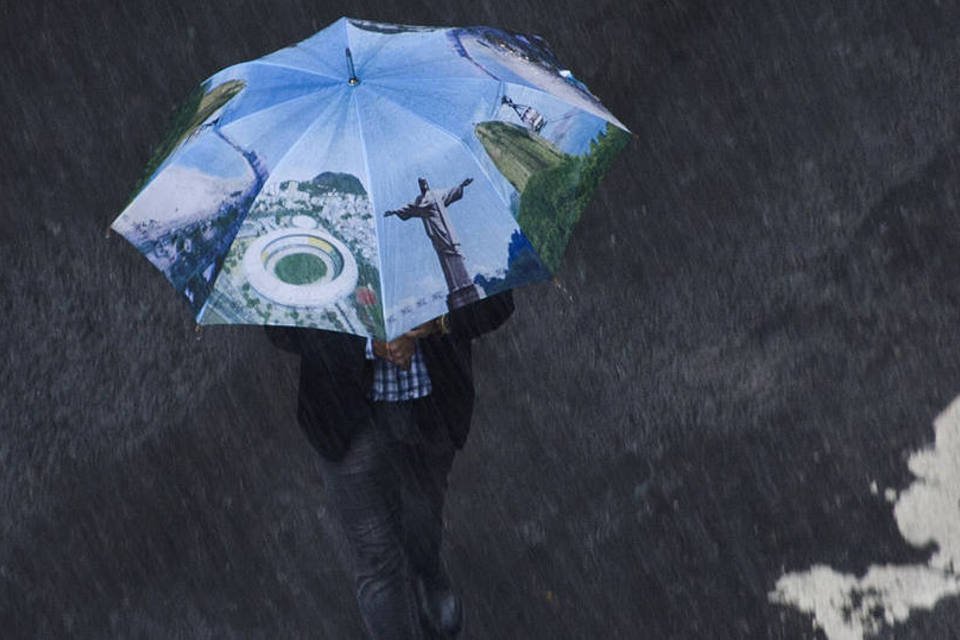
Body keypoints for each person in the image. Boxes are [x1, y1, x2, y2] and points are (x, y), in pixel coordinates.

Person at [266, 291, 514, 639]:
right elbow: (283, 325)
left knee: (423, 520)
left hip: (431, 412)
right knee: (376, 562)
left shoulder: (453, 234)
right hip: (346, 422)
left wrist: (439, 322)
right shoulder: (305, 245)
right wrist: (370, 345)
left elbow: (498, 300)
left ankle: (428, 573)